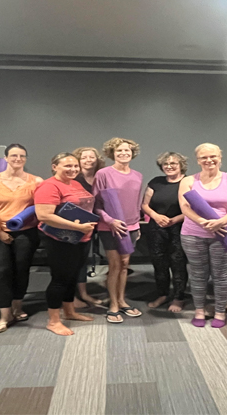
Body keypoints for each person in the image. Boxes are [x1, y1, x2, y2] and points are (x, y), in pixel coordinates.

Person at [0, 144, 43, 333]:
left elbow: (41, 207)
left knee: (21, 270)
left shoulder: (36, 181)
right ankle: (4, 315)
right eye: (13, 155)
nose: (18, 159)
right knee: (0, 271)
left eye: (22, 156)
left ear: (26, 159)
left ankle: (18, 306)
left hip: (26, 232)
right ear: (6, 158)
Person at [179, 143, 227, 328]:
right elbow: (184, 207)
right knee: (198, 274)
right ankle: (199, 310)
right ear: (198, 160)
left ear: (220, 157)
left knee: (221, 275)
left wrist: (221, 222)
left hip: (224, 234)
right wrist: (201, 222)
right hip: (193, 233)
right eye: (204, 157)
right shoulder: (188, 181)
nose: (209, 160)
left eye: (213, 156)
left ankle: (220, 312)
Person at [35, 153, 98, 335]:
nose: (73, 169)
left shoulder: (75, 183)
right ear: (54, 167)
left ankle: (69, 312)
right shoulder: (49, 186)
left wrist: (83, 229)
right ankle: (54, 321)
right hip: (60, 241)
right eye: (67, 166)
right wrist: (78, 227)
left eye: (75, 166)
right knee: (60, 280)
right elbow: (44, 216)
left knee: (72, 277)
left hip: (80, 239)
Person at [93, 137, 144, 324]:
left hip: (131, 227)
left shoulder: (138, 175)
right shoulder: (103, 174)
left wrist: (137, 227)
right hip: (109, 227)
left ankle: (122, 300)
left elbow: (135, 203)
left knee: (124, 265)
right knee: (114, 266)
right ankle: (113, 304)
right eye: (119, 151)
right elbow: (96, 204)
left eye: (127, 151)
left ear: (133, 153)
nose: (124, 153)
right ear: (112, 153)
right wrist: (110, 220)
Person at [142, 152, 188, 312]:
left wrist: (175, 219)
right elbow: (145, 205)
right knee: (159, 262)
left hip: (180, 227)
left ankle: (178, 297)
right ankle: (162, 294)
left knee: (178, 263)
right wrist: (155, 216)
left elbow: (193, 208)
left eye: (173, 163)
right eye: (165, 164)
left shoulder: (189, 182)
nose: (169, 166)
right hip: (157, 228)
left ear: (181, 165)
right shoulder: (156, 182)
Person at [72, 146, 106, 307]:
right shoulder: (73, 179)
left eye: (91, 157)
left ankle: (84, 293)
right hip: (75, 226)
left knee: (84, 259)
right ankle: (71, 296)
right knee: (74, 260)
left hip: (97, 224)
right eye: (84, 157)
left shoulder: (101, 177)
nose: (88, 160)